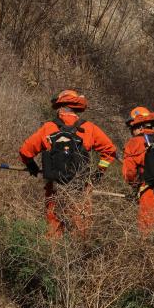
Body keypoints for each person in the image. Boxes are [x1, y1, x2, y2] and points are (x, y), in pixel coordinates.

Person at [18, 89, 117, 238]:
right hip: (81, 188)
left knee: (54, 229)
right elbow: (110, 151)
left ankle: (54, 258)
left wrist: (32, 165)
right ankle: (78, 257)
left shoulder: (48, 127)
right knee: (81, 231)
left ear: (60, 107)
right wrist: (99, 172)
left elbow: (25, 151)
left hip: (55, 187)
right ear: (76, 108)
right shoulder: (89, 128)